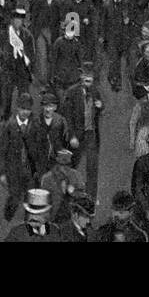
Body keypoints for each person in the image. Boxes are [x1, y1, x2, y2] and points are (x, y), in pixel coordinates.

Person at [0, 93, 44, 221]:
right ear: (17, 108)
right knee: (15, 196)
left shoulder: (36, 125)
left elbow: (40, 149)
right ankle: (8, 217)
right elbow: (1, 150)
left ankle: (29, 222)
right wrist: (1, 173)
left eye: (27, 109)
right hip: (13, 170)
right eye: (22, 109)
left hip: (30, 169)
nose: (25, 112)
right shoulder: (9, 126)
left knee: (31, 196)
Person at [60, 62, 103, 204]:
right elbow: (67, 116)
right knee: (72, 166)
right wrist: (72, 136)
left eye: (90, 76)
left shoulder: (95, 91)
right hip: (76, 136)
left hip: (91, 134)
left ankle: (91, 198)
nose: (88, 78)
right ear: (81, 76)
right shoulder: (72, 93)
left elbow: (100, 106)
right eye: (85, 75)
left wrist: (100, 106)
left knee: (92, 168)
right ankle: (66, 196)